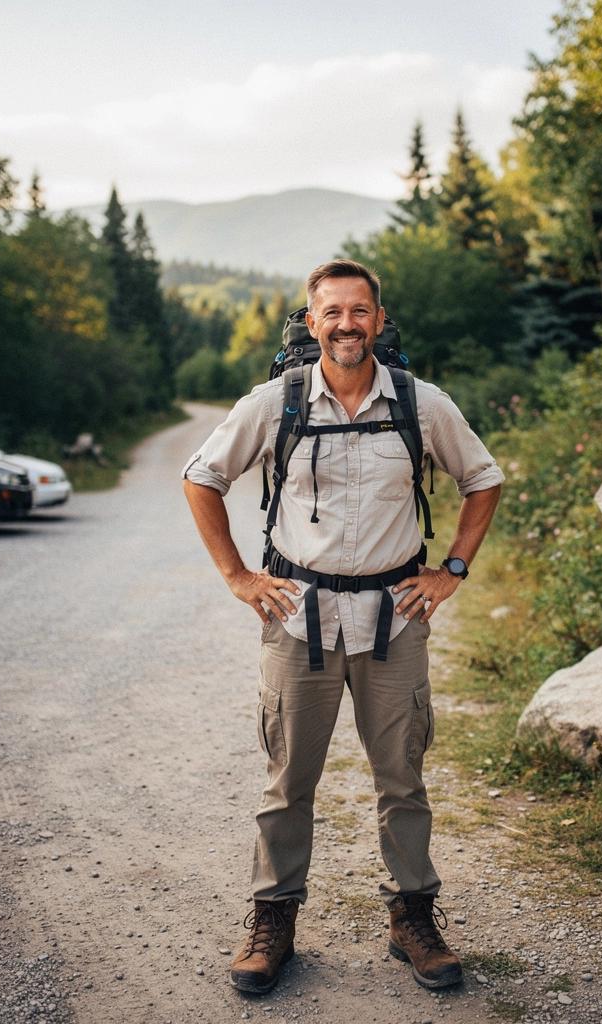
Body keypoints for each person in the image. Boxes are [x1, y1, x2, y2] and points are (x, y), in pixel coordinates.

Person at [182, 259, 502, 995]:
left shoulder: (421, 403)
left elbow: (483, 479)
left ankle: (413, 919)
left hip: (395, 618)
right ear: (312, 321)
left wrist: (451, 570)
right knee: (288, 781)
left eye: (360, 311)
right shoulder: (276, 403)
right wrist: (238, 576)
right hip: (300, 621)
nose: (347, 324)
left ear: (379, 321)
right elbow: (202, 477)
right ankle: (273, 922)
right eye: (332, 312)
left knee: (403, 779)